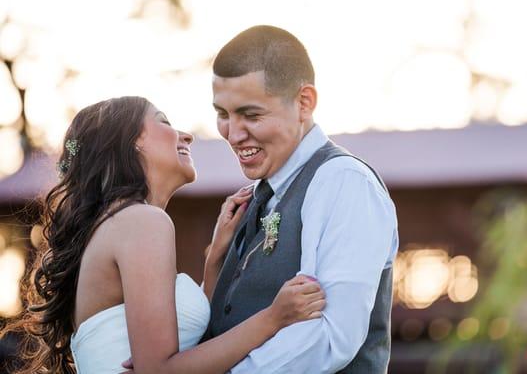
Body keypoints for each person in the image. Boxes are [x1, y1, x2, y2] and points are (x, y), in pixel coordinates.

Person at [0, 96, 325, 374]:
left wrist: (215, 258)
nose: (186, 136)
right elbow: (159, 370)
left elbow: (177, 346)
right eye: (164, 122)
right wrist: (274, 317)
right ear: (132, 141)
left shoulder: (121, 223)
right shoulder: (141, 221)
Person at [203, 25, 399, 373]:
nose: (233, 134)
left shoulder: (343, 182)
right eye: (222, 114)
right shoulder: (257, 197)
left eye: (251, 115)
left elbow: (329, 336)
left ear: (304, 102)